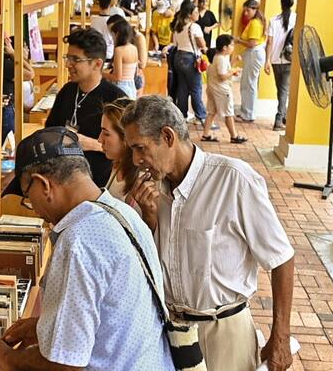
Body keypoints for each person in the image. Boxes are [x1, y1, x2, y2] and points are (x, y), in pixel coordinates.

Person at [122, 96, 296, 371]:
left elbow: (281, 259)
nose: (136, 160)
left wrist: (281, 337)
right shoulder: (154, 191)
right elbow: (155, 265)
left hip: (224, 334)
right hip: (172, 331)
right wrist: (150, 218)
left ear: (167, 136)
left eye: (140, 148)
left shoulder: (233, 180)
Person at [0, 128, 174, 371]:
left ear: (44, 185)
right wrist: (46, 327)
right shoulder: (123, 213)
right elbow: (109, 318)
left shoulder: (78, 243)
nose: (34, 209)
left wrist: (4, 358)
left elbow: (66, 365)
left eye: (28, 197)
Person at [45, 29, 126, 187]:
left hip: (97, 182)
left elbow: (127, 147)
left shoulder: (116, 99)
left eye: (75, 59)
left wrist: (91, 144)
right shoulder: (67, 91)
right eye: (68, 58)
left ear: (97, 64)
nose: (68, 64)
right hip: (60, 178)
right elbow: (49, 129)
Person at [98, 98, 143, 208]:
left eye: (106, 134)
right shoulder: (117, 165)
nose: (99, 139)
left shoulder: (142, 180)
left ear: (126, 138)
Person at [202, 35, 246, 143]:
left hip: (213, 88)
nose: (233, 47)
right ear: (225, 47)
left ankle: (205, 135)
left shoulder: (219, 57)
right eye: (231, 45)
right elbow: (222, 76)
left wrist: (233, 66)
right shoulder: (221, 58)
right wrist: (233, 71)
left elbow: (225, 70)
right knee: (229, 113)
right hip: (221, 90)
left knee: (211, 112)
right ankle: (234, 136)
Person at [170, 1, 207, 124]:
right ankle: (200, 116)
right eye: (195, 12)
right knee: (196, 88)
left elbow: (175, 43)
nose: (198, 14)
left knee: (182, 88)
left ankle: (182, 115)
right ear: (189, 14)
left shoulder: (178, 26)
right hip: (190, 59)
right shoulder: (194, 27)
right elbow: (202, 44)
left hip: (178, 57)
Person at [264, 0, 296, 131]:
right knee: (283, 90)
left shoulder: (273, 20)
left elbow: (269, 42)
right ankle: (280, 118)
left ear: (281, 3)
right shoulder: (297, 19)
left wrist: (267, 60)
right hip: (290, 60)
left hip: (276, 59)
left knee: (281, 90)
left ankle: (283, 116)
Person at [236, 0, 267, 122]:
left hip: (254, 53)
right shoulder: (256, 22)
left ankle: (249, 113)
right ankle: (246, 110)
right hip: (254, 54)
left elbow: (252, 43)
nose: (245, 13)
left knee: (249, 84)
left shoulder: (255, 23)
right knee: (247, 83)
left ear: (255, 10)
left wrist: (238, 40)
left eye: (248, 10)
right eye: (245, 11)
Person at [103, 16, 140, 99]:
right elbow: (136, 71)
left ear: (117, 34)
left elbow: (117, 77)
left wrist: (101, 74)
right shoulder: (134, 48)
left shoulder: (119, 50)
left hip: (121, 87)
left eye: (112, 34)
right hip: (131, 86)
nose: (112, 38)